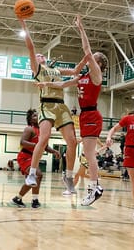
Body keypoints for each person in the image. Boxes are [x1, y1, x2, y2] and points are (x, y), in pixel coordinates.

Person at [34, 15, 108, 205]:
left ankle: (94, 187)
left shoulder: (96, 75)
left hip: (92, 114)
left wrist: (81, 28)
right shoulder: (83, 76)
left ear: (98, 63)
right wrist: (46, 83)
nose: (89, 59)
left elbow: (87, 50)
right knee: (86, 153)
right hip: (84, 115)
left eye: (93, 58)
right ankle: (94, 186)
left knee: (89, 154)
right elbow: (65, 83)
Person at [18, 19, 79, 194]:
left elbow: (75, 72)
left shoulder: (56, 70)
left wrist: (88, 60)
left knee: (72, 141)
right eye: (37, 56)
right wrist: (24, 25)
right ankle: (31, 173)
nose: (39, 55)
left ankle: (68, 177)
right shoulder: (37, 70)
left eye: (41, 55)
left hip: (62, 107)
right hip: (47, 105)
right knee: (44, 138)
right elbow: (30, 47)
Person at [12, 109, 60, 208]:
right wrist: (37, 145)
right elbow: (22, 142)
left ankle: (18, 198)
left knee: (31, 180)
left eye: (38, 115)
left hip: (34, 158)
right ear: (30, 119)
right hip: (25, 156)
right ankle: (35, 200)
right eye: (34, 116)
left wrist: (54, 151)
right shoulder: (29, 129)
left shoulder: (43, 131)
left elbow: (45, 147)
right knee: (38, 175)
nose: (37, 117)